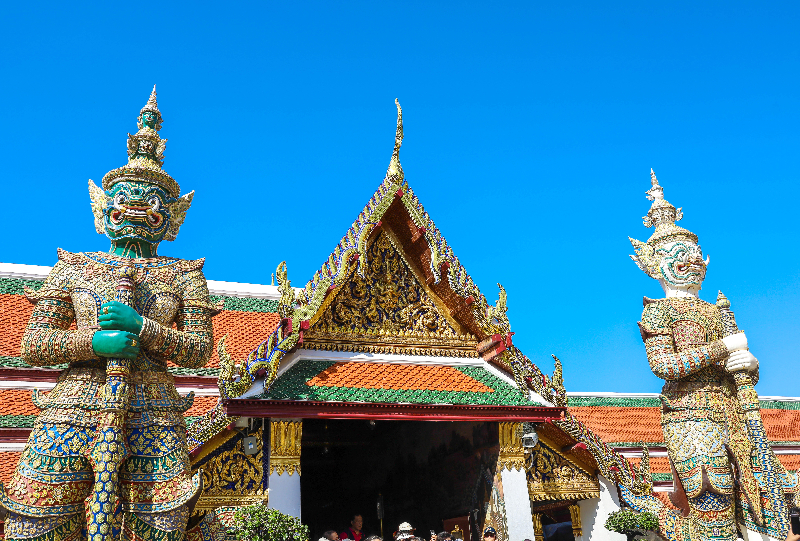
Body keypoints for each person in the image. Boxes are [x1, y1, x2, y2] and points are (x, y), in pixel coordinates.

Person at [0, 88, 215, 541]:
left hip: (154, 411)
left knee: (159, 527)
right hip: (73, 407)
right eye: (126, 195)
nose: (137, 204)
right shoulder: (74, 266)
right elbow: (33, 344)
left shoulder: (184, 275)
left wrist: (143, 328)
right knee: (33, 524)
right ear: (103, 207)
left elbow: (199, 351)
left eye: (151, 199)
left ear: (172, 217)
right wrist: (92, 342)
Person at [628, 170, 788, 540]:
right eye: (679, 256)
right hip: (691, 415)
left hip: (734, 411)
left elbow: (738, 369)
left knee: (755, 504)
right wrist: (723, 348)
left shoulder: (718, 311)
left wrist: (751, 364)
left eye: (695, 255)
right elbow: (663, 365)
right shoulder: (657, 311)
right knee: (712, 500)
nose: (692, 262)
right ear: (655, 264)